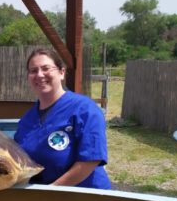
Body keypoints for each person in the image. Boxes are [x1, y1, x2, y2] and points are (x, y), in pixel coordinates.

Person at [14, 48, 111, 189]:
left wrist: (53, 190)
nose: (39, 75)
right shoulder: (27, 120)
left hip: (86, 199)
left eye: (46, 68)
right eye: (33, 71)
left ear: (61, 73)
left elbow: (90, 160)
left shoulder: (85, 109)